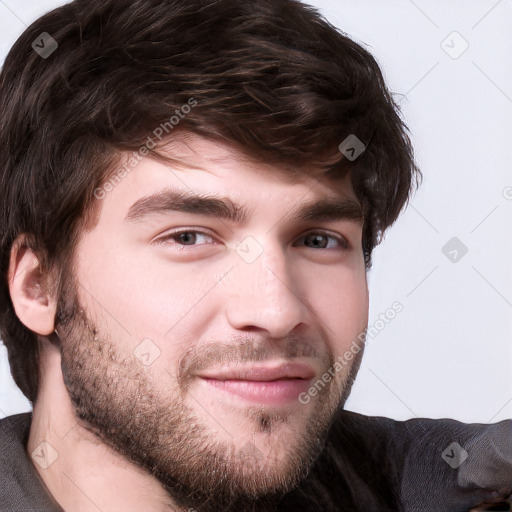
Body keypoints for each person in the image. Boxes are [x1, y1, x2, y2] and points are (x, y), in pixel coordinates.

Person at [0, 0, 510, 511]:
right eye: (189, 237)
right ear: (38, 286)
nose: (276, 311)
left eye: (318, 240)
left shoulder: (431, 487)